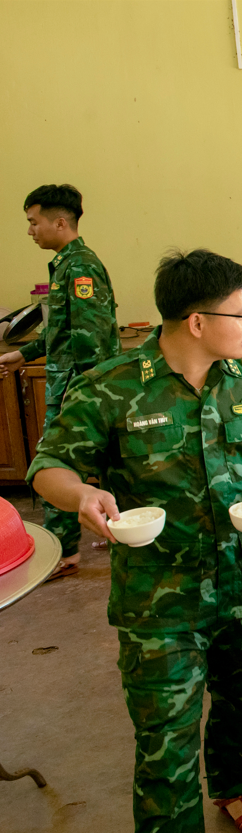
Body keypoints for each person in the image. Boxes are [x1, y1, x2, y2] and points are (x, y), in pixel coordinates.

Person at [27, 249, 242, 833]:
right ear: (198, 322)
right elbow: (49, 466)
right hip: (161, 603)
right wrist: (80, 495)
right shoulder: (110, 388)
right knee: (165, 748)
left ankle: (235, 790)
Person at [0, 184, 120, 580]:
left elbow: (90, 337)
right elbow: (63, 332)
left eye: (34, 222)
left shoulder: (80, 266)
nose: (30, 231)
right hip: (71, 381)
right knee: (104, 459)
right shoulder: (67, 264)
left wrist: (80, 396)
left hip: (75, 386)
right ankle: (113, 525)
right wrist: (24, 354)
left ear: (60, 222)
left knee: (56, 463)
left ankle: (63, 551)